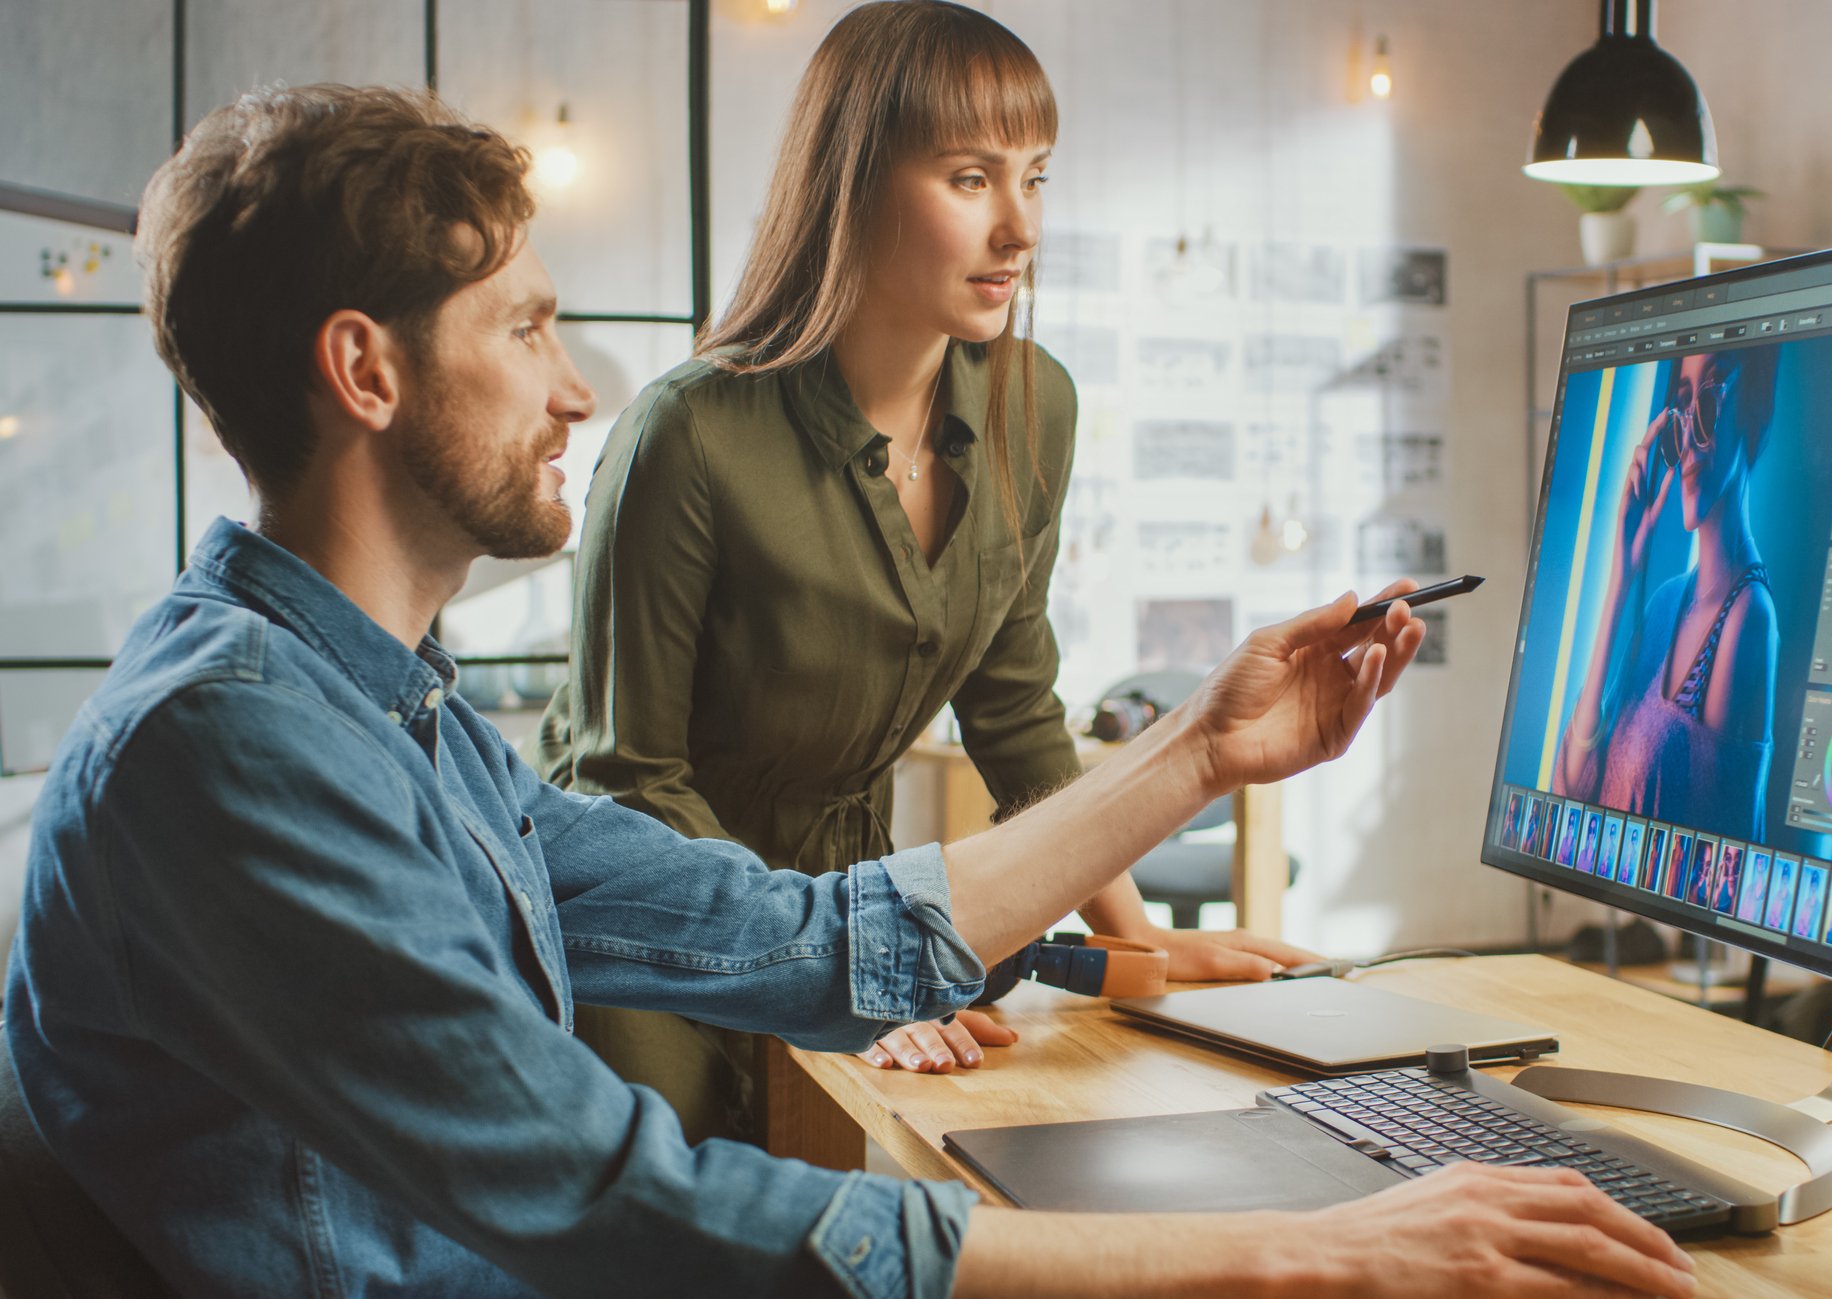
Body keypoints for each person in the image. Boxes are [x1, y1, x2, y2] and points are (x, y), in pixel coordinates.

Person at [5, 84, 1698, 1299]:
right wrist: (1303, 1253)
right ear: (364, 368)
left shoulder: (392, 713)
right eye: (522, 330)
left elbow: (800, 935)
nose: (575, 389)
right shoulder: (231, 747)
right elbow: (613, 1202)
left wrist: (1199, 749)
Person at [534, 1, 1317, 1128]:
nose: (1019, 227)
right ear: (850, 186)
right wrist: (833, 969)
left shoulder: (1032, 404)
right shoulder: (688, 433)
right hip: (655, 923)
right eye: (969, 179)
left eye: (1034, 178)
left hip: (860, 911)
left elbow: (1017, 717)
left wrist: (1137, 943)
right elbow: (628, 777)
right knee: (703, 1187)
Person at [1553, 348, 1781, 842]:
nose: (1692, 441)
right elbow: (1570, 790)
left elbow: (1706, 863)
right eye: (1682, 409)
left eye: (1711, 400)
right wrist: (1620, 581)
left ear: (1753, 407)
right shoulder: (1663, 603)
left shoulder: (1747, 617)